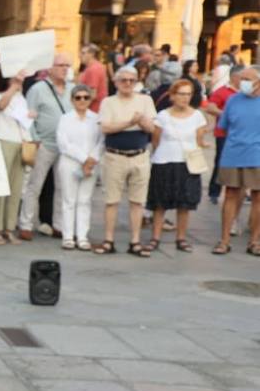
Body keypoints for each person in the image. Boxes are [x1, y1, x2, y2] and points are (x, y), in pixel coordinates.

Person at [95, 65, 158, 256]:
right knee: (111, 200)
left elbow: (151, 128)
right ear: (116, 82)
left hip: (139, 155)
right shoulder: (108, 102)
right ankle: (108, 240)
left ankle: (135, 241)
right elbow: (105, 128)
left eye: (132, 80)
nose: (128, 84)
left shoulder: (145, 100)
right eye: (124, 80)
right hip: (115, 156)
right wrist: (129, 123)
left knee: (137, 201)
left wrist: (141, 121)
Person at [145, 79, 208, 252]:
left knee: (184, 203)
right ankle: (155, 237)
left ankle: (181, 238)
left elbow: (199, 140)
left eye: (188, 94)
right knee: (160, 203)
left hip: (187, 164)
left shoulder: (197, 116)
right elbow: (156, 140)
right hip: (164, 162)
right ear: (173, 96)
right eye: (181, 94)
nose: (185, 98)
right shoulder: (163, 116)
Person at [17, 53, 71, 240]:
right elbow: (29, 115)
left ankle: (58, 224)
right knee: (35, 185)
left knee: (62, 187)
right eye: (61, 65)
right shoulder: (38, 89)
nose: (64, 68)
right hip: (44, 144)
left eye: (67, 65)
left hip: (65, 146)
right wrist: (35, 138)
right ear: (50, 68)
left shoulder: (72, 89)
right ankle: (26, 223)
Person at [0, 62, 33, 245]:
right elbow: (1, 106)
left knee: (15, 188)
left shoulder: (21, 98)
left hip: (19, 142)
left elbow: (23, 121)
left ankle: (8, 227)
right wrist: (13, 87)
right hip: (1, 140)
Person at [214, 65, 260, 255]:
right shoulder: (233, 100)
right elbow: (223, 126)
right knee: (230, 195)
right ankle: (224, 240)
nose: (243, 83)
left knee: (258, 197)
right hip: (232, 154)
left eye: (248, 79)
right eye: (242, 79)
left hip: (257, 155)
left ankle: (254, 241)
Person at [55, 84, 103, 250]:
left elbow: (101, 141)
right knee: (69, 200)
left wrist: (92, 159)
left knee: (85, 200)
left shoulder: (96, 119)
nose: (82, 100)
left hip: (91, 164)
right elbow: (63, 143)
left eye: (86, 97)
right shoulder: (65, 118)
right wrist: (84, 158)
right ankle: (67, 236)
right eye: (78, 97)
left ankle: (82, 236)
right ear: (72, 100)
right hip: (70, 162)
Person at [202, 64, 240, 205]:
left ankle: (242, 191)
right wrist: (225, 114)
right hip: (223, 133)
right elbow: (210, 107)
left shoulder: (246, 94)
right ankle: (214, 191)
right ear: (234, 77)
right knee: (221, 162)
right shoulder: (222, 91)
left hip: (241, 135)